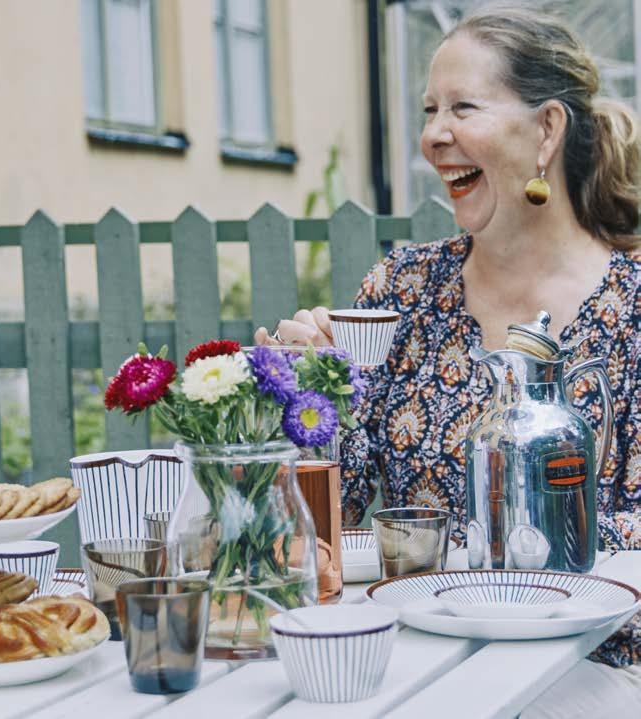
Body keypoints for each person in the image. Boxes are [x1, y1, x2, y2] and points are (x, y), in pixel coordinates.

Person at [257, 7, 640, 714]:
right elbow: (324, 522)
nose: (435, 134)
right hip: (413, 653)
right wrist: (310, 400)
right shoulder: (400, 293)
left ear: (547, 130)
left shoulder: (634, 307)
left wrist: (464, 549)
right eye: (430, 109)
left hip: (592, 662)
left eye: (463, 106)